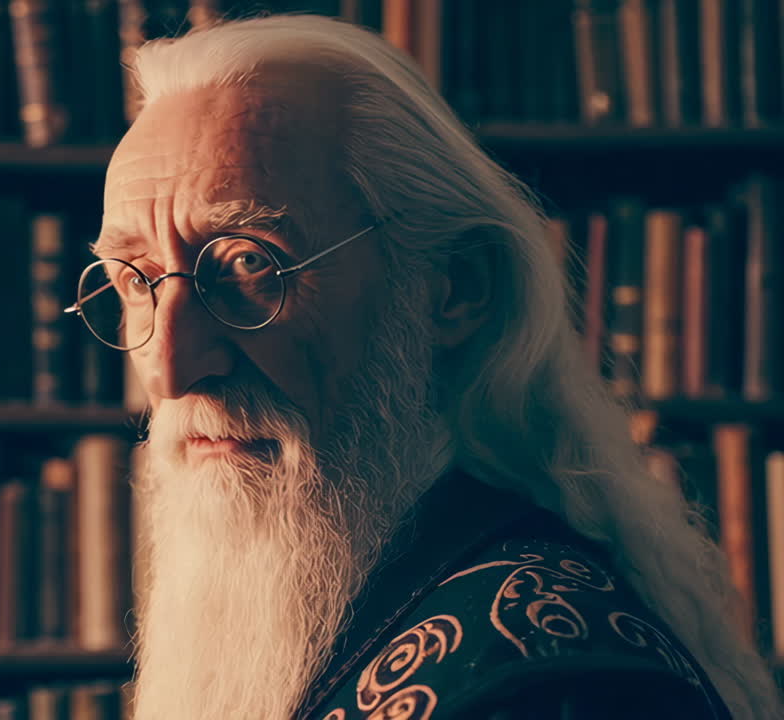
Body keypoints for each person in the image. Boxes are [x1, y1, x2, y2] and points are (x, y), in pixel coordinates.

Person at [63, 13, 783, 720]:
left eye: (251, 263)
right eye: (136, 278)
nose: (169, 370)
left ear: (454, 288)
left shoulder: (551, 687)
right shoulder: (348, 595)